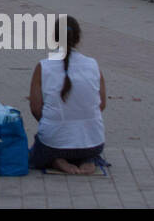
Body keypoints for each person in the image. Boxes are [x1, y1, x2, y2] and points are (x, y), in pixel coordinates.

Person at [28, 16, 105, 173]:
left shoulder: (43, 66)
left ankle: (57, 161)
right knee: (81, 145)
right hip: (93, 143)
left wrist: (53, 125)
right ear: (78, 39)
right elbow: (101, 104)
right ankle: (88, 160)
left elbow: (35, 108)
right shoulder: (93, 65)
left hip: (54, 143)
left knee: (37, 152)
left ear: (54, 38)